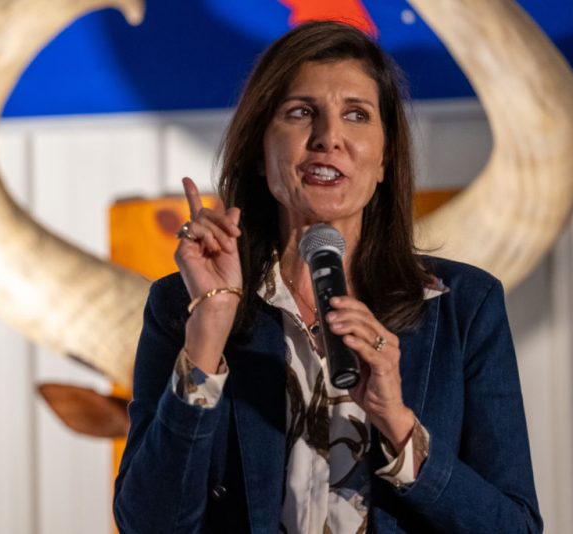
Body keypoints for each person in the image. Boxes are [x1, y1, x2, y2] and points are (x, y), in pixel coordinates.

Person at [114, 21, 542, 533]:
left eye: (356, 115)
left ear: (384, 159)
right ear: (258, 149)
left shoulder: (464, 307)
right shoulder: (180, 303)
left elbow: (515, 528)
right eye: (300, 113)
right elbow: (148, 524)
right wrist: (208, 335)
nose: (329, 138)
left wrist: (399, 427)